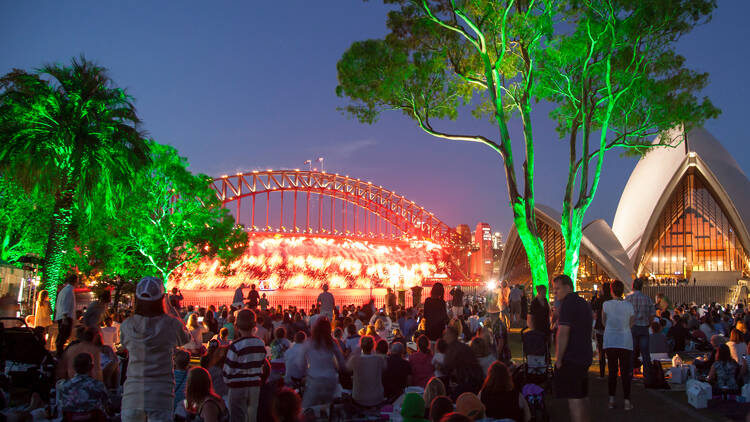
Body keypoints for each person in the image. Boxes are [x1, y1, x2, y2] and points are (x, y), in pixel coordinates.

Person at [120, 276, 191, 422]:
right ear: (162, 298)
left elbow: (124, 344)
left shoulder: (128, 325)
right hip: (160, 395)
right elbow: (186, 338)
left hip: (133, 394)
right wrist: (171, 310)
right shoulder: (171, 324)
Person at [553, 274, 592, 422]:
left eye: (558, 288)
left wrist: (559, 359)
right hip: (584, 354)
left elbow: (563, 332)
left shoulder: (568, 304)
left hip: (572, 357)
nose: (555, 292)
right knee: (582, 395)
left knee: (574, 398)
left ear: (568, 287)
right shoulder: (583, 303)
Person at [223, 309, 267, 422]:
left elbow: (227, 371)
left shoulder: (236, 346)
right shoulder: (260, 343)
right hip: (254, 386)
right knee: (252, 415)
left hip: (237, 387)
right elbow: (262, 364)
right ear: (254, 324)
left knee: (237, 416)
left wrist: (228, 381)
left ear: (236, 326)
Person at [602, 280, 634, 410]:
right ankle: (627, 401)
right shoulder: (628, 305)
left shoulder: (606, 304)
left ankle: (611, 399)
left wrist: (612, 327)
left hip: (610, 340)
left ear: (611, 290)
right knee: (625, 372)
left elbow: (603, 321)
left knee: (613, 371)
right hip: (625, 341)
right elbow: (632, 322)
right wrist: (624, 328)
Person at [297, 317, 344, 408]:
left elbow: (300, 363)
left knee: (306, 409)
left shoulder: (309, 343)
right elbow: (341, 362)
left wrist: (306, 373)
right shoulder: (332, 343)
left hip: (315, 380)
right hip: (331, 380)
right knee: (327, 409)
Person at [58, 352, 109, 418]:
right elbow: (107, 404)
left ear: (74, 367)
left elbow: (61, 407)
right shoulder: (98, 385)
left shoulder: (63, 386)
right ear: (91, 367)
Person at [626, 277, 655, 386]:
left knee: (631, 353)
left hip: (632, 327)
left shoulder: (628, 298)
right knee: (645, 354)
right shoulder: (647, 299)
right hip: (643, 327)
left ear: (633, 286)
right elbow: (652, 314)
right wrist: (648, 323)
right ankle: (647, 377)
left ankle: (629, 375)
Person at [443, 326, 484, 400]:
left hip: (467, 383)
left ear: (451, 335)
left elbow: (447, 368)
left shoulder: (453, 349)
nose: (444, 337)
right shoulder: (463, 346)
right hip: (476, 381)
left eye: (446, 334)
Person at [347, 335, 385, 407]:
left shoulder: (355, 359)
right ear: (373, 346)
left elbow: (347, 368)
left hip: (359, 397)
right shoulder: (379, 359)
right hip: (377, 397)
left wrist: (354, 352)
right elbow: (384, 368)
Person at [591, 281, 612, 379]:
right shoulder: (612, 300)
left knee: (601, 351)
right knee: (611, 351)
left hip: (600, 328)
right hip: (611, 328)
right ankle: (612, 372)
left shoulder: (600, 300)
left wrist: (594, 296)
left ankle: (602, 373)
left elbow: (593, 306)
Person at [54, 274, 78, 354]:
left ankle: (59, 352)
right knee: (64, 335)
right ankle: (60, 353)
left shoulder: (64, 290)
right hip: (66, 317)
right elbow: (66, 304)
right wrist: (65, 317)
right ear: (75, 281)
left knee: (62, 335)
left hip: (62, 316)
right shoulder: (69, 291)